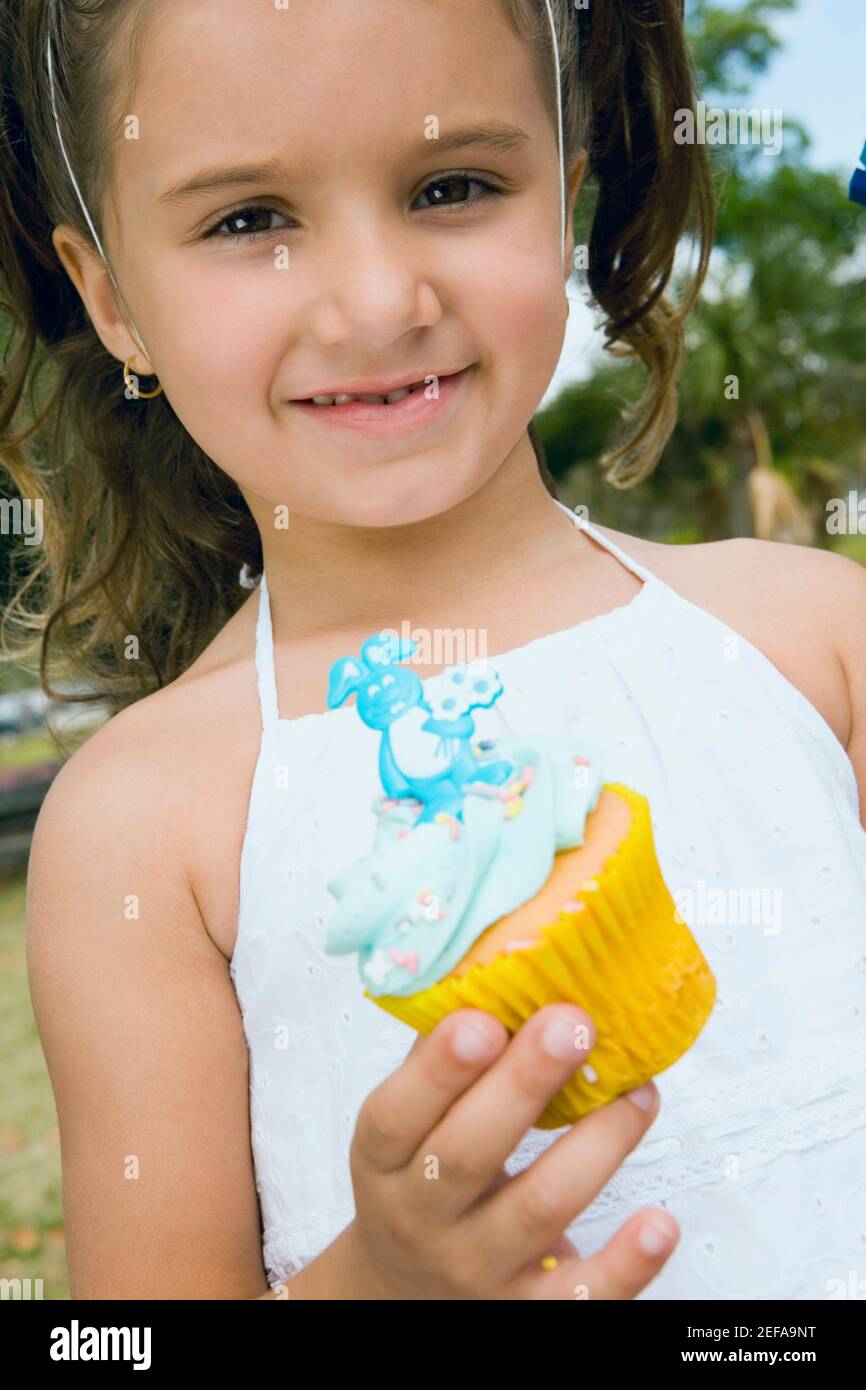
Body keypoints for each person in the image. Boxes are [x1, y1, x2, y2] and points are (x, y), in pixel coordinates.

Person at [5, 0, 866, 1300]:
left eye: (451, 185)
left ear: (561, 207)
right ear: (113, 297)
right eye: (249, 220)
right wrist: (379, 1280)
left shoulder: (814, 636)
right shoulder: (138, 828)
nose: (374, 299)